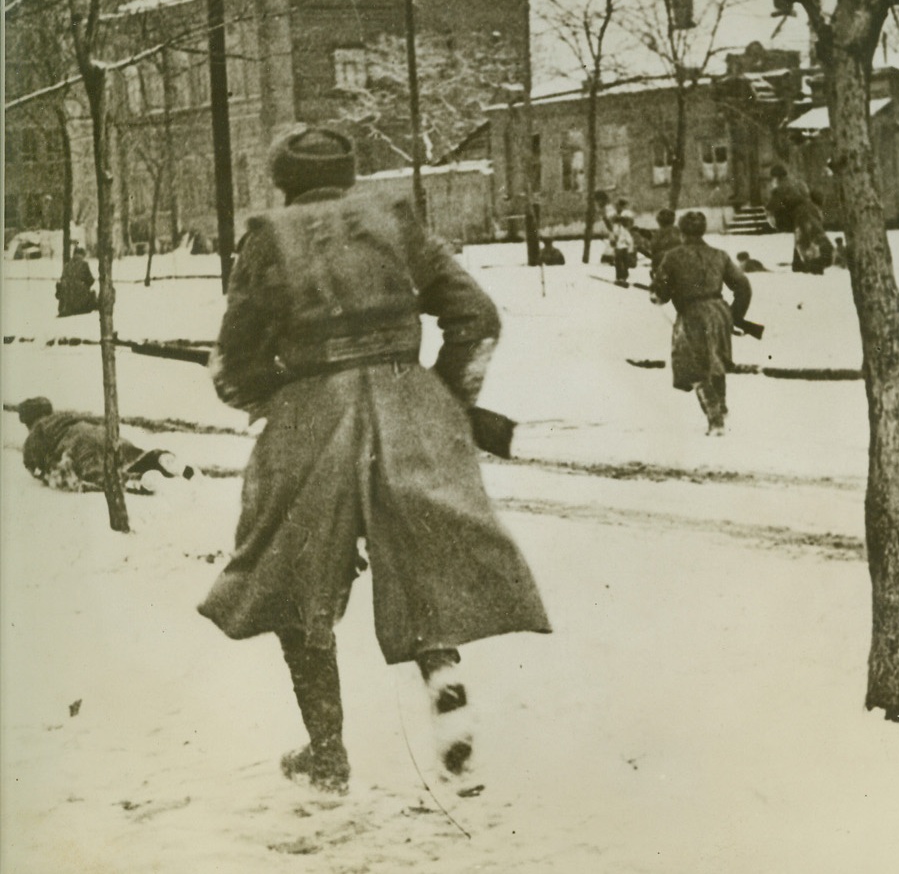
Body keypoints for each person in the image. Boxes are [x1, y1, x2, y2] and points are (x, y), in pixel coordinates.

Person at [199, 126, 551, 797]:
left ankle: (327, 753)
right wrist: (443, 399)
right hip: (409, 407)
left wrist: (279, 392)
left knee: (294, 580)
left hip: (310, 425)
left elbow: (230, 367)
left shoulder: (267, 239)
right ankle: (449, 708)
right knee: (423, 565)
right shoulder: (397, 221)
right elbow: (477, 317)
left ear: (283, 180)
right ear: (350, 173)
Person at [649, 211, 752, 435]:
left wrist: (655, 293)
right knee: (716, 362)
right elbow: (743, 287)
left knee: (693, 367)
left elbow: (661, 293)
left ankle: (716, 420)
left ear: (682, 231)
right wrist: (735, 315)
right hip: (719, 311)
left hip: (693, 314)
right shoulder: (720, 255)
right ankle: (722, 406)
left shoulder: (673, 257)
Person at [19, 396, 193, 493]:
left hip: (76, 446)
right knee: (129, 455)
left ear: (28, 421)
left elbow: (34, 466)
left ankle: (134, 481)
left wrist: (47, 473)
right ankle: (158, 458)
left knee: (96, 472)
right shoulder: (66, 416)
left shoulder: (35, 433)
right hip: (99, 432)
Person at [765, 164, 832, 274]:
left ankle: (813, 266)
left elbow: (773, 204)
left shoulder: (781, 186)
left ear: (775, 177)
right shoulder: (799, 182)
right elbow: (816, 195)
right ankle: (798, 264)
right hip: (813, 210)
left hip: (801, 215)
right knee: (809, 236)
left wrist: (770, 215)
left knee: (804, 239)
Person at [56, 246, 98, 317]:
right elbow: (90, 280)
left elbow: (61, 280)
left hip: (66, 303)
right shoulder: (84, 264)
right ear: (82, 254)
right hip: (80, 302)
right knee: (93, 295)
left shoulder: (67, 265)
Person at [612, 211, 637, 285]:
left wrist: (631, 249)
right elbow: (615, 236)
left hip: (623, 248)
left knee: (623, 263)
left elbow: (629, 241)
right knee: (619, 263)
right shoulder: (619, 228)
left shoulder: (623, 229)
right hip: (620, 248)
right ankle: (620, 277)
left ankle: (623, 276)